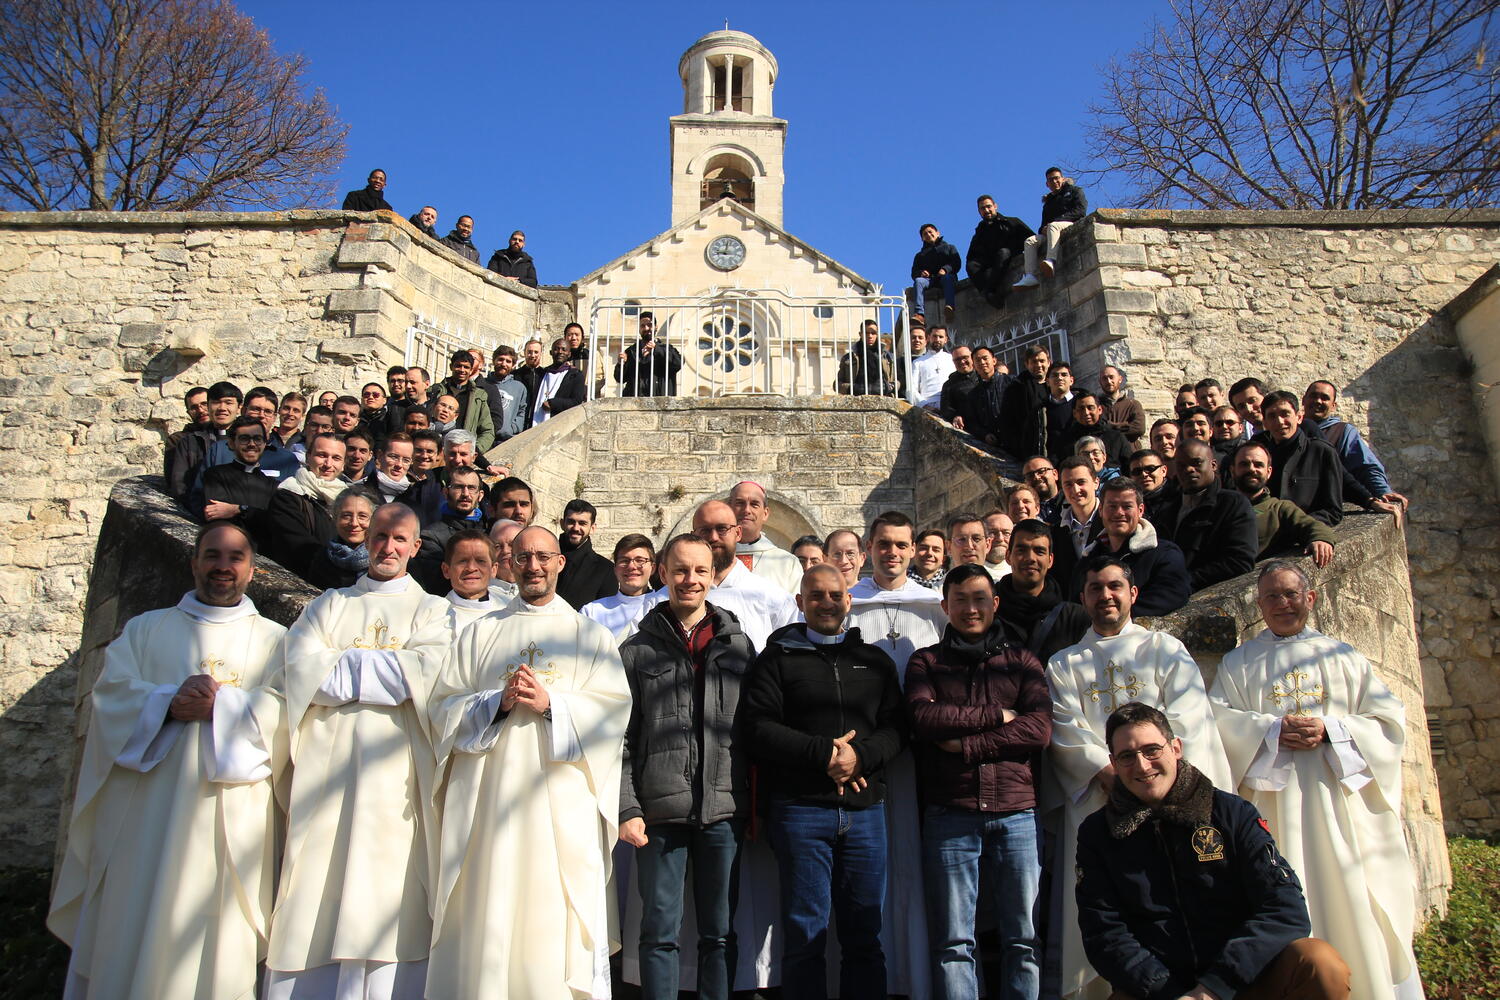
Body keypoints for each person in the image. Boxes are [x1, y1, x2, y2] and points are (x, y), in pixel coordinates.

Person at [48, 522, 285, 1000]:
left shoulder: (275, 639)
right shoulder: (146, 628)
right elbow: (111, 697)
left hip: (229, 825)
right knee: (133, 923)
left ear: (253, 570)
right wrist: (167, 702)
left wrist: (222, 705)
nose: (223, 567)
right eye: (212, 555)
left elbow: (286, 712)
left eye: (235, 557)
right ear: (193, 562)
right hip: (143, 821)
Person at [427, 525, 630, 998]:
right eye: (522, 558)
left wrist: (552, 704)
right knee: (489, 906)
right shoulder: (482, 633)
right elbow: (442, 707)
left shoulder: (589, 635)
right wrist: (494, 703)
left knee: (553, 907)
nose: (533, 566)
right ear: (508, 564)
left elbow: (614, 714)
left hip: (561, 807)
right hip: (488, 807)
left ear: (561, 562)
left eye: (543, 557)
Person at [1210, 562, 1421, 1000]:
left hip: (1337, 807)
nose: (1282, 604)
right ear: (1259, 604)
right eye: (1271, 596)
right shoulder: (1238, 662)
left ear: (1311, 598)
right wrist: (1270, 731)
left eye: (1290, 594)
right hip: (1273, 808)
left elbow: (1388, 722)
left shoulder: (1342, 656)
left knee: (1349, 897)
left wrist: (1332, 729)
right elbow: (1218, 722)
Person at [267, 504, 451, 997]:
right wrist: (388, 670)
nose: (388, 547)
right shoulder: (328, 605)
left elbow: (427, 675)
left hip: (398, 781)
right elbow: (300, 672)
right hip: (324, 778)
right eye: (380, 536)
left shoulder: (434, 611)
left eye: (400, 539)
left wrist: (342, 667)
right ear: (365, 539)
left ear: (416, 547)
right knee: (314, 889)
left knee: (389, 890)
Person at [1075, 702, 1352, 1000]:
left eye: (1152, 750)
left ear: (1176, 748)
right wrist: (1167, 991)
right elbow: (1104, 933)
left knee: (1319, 963)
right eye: (1127, 756)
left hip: (1244, 980)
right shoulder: (1097, 834)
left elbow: (1285, 908)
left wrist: (1213, 988)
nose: (1142, 765)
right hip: (1160, 991)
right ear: (1113, 763)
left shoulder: (1232, 813)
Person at [1047, 557, 1232, 1000]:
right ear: (1083, 598)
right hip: (1101, 800)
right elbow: (1065, 729)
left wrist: (1151, 775)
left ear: (1133, 594)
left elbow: (1188, 721)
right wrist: (1109, 771)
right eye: (1095, 588)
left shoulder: (1164, 649)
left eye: (1115, 586)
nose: (1105, 595)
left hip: (1167, 802)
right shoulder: (1063, 663)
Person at [743, 563, 908, 1000]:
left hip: (865, 814)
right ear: (800, 603)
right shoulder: (775, 660)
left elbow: (897, 728)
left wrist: (859, 758)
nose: (827, 603)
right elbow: (758, 727)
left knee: (864, 935)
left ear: (849, 600)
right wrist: (825, 754)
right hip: (801, 811)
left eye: (835, 595)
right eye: (816, 596)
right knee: (803, 935)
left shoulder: (874, 662)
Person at [617, 534, 755, 1000]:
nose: (689, 580)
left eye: (699, 571)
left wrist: (754, 807)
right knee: (659, 932)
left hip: (723, 809)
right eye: (679, 570)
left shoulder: (739, 647)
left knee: (719, 933)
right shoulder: (636, 651)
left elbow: (753, 734)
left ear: (715, 575)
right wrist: (627, 807)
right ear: (662, 573)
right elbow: (621, 739)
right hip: (658, 812)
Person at [905, 563, 1052, 999]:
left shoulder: (1022, 661)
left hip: (1016, 812)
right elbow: (923, 718)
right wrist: (995, 716)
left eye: (980, 599)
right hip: (953, 812)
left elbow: (1039, 730)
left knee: (1023, 938)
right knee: (954, 942)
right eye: (961, 600)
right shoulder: (926, 661)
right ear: (945, 605)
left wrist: (966, 745)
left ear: (996, 604)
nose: (971, 609)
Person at [844, 512, 947, 1000]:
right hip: (868, 752)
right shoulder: (848, 605)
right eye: (883, 544)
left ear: (913, 549)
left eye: (901, 545)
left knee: (914, 858)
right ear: (868, 548)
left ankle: (916, 976)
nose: (892, 552)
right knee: (867, 862)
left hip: (924, 754)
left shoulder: (935, 607)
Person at [1152, 439, 1259, 590]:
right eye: (1182, 465)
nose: (1189, 469)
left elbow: (1240, 561)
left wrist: (1188, 580)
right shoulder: (1167, 509)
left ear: (1213, 465)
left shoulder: (1233, 504)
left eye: (1196, 463)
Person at [1076, 478, 1191, 617]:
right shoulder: (1088, 557)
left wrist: (1112, 617)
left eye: (1127, 506)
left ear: (1140, 510)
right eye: (1112, 506)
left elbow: (1172, 595)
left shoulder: (1164, 554)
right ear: (1100, 510)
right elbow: (1076, 601)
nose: (1119, 512)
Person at [1301, 380, 1409, 512]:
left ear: (1333, 406)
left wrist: (1382, 491)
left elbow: (1365, 467)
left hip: (1324, 510)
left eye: (1325, 398)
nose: (1318, 401)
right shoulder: (1289, 430)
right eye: (1314, 396)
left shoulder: (1342, 432)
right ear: (1304, 400)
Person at [994, 519, 1091, 663]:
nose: (1030, 558)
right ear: (1008, 556)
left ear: (1050, 560)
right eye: (1021, 550)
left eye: (1039, 551)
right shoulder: (988, 612)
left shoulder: (1075, 618)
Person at [1231, 442, 1337, 567]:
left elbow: (1313, 526)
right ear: (1233, 470)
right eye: (1244, 464)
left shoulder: (1279, 508)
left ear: (1268, 472)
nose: (1251, 469)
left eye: (1258, 465)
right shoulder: (1219, 506)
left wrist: (1321, 539)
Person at [262, 433, 348, 578]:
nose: (328, 464)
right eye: (322, 455)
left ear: (343, 464)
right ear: (308, 457)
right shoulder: (288, 494)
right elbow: (297, 545)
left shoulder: (349, 498)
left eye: (336, 458)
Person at [411, 466, 486, 593]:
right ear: (445, 493)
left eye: (472, 488)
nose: (466, 494)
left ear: (480, 495)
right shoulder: (431, 536)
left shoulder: (490, 532)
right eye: (458, 487)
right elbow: (435, 585)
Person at [200, 415, 282, 526]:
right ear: (231, 443)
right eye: (244, 439)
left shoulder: (273, 486)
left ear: (264, 444)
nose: (252, 444)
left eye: (257, 439)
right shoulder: (215, 475)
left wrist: (238, 509)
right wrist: (257, 513)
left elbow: (276, 520)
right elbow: (215, 516)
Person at [1014, 167, 1088, 288]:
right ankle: (1030, 276)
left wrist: (1057, 221)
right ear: (1047, 184)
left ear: (1062, 179)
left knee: (1053, 226)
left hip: (1070, 223)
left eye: (1056, 178)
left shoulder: (1075, 191)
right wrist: (1042, 229)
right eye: (1051, 180)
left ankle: (1051, 260)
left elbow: (1080, 211)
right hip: (1051, 230)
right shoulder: (1048, 202)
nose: (1054, 182)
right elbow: (1044, 223)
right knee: (1030, 241)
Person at [729, 480, 803, 593]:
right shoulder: (712, 558)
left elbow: (796, 608)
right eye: (740, 503)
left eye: (754, 504)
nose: (747, 510)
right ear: (728, 509)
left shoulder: (787, 562)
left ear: (765, 513)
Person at [581, 534, 658, 639]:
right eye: (624, 561)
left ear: (652, 568)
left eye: (640, 560)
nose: (631, 566)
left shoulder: (668, 607)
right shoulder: (592, 612)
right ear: (615, 569)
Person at [966, 194, 1034, 309]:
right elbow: (971, 256)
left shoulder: (1011, 222)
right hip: (990, 263)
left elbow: (1031, 238)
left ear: (995, 206)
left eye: (988, 206)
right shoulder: (980, 231)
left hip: (1008, 257)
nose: (986, 210)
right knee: (971, 265)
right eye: (982, 208)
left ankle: (989, 291)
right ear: (979, 211)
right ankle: (988, 293)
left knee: (1003, 253)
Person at [305, 486, 377, 590]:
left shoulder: (384, 556)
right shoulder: (323, 558)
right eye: (346, 516)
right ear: (335, 518)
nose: (354, 523)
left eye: (362, 516)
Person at [557, 497, 619, 608]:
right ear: (562, 523)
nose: (576, 528)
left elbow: (605, 615)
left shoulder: (605, 570)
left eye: (582, 523)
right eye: (571, 522)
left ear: (592, 528)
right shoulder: (542, 558)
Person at [438, 528, 501, 634]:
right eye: (462, 561)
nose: (471, 568)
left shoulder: (510, 609)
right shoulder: (435, 615)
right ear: (446, 570)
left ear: (493, 570)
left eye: (480, 561)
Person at [616, 311, 684, 397]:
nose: (646, 328)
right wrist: (620, 364)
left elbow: (679, 363)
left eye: (650, 325)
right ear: (639, 329)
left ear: (656, 327)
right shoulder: (631, 351)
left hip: (660, 401)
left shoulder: (666, 349)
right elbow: (619, 378)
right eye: (642, 326)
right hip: (634, 403)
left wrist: (656, 350)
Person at [1001, 346, 1052, 460]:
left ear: (1049, 362)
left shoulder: (1057, 384)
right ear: (1027, 364)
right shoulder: (1016, 389)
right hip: (1028, 450)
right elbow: (1008, 421)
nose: (1038, 365)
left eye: (1042, 361)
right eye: (1034, 362)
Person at [1062, 391, 1131, 470]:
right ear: (1074, 413)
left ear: (1099, 409)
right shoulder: (1066, 439)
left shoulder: (1116, 437)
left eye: (1090, 408)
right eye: (1081, 409)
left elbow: (1128, 466)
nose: (1086, 413)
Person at [959, 346, 1010, 448]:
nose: (982, 362)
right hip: (993, 444)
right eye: (977, 360)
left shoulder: (1010, 383)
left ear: (994, 361)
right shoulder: (973, 394)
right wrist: (984, 434)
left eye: (985, 358)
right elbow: (971, 422)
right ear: (974, 365)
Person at [910, 222, 961, 321]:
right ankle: (919, 314)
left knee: (947, 278)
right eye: (925, 234)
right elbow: (914, 273)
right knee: (918, 281)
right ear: (922, 238)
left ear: (937, 233)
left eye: (930, 232)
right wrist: (921, 273)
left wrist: (945, 269)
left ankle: (949, 307)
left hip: (946, 278)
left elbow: (956, 263)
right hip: (930, 280)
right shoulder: (920, 255)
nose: (928, 235)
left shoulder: (949, 247)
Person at [531, 337, 587, 424]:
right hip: (536, 422)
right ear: (551, 352)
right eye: (556, 349)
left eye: (564, 349)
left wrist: (553, 403)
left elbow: (576, 401)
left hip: (558, 424)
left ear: (569, 354)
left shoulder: (575, 375)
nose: (560, 352)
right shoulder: (541, 373)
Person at [836, 319, 896, 396]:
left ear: (877, 334)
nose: (870, 336)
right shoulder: (848, 358)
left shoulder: (888, 357)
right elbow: (837, 384)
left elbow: (898, 381)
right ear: (860, 334)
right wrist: (852, 388)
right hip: (856, 400)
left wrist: (888, 387)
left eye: (873, 333)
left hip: (883, 399)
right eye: (866, 333)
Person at [907, 326, 956, 411]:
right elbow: (911, 389)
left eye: (941, 337)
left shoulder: (952, 359)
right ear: (929, 338)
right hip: (928, 406)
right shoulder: (918, 362)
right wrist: (925, 405)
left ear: (946, 339)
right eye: (934, 336)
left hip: (951, 405)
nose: (937, 339)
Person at [1098, 365, 1144, 445]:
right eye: (1104, 378)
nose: (1108, 381)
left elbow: (1139, 429)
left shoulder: (1133, 404)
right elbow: (1096, 429)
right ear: (1100, 382)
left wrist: (1109, 426)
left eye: (1111, 377)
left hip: (1129, 453)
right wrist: (1125, 425)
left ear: (1120, 379)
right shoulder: (1096, 406)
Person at [365, 432, 414, 505]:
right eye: (394, 457)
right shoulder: (361, 493)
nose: (399, 465)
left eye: (406, 460)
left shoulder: (417, 496)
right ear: (380, 456)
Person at [938, 344, 979, 425]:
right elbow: (946, 409)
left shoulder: (983, 375)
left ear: (972, 357)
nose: (962, 362)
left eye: (965, 357)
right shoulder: (949, 385)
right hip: (969, 427)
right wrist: (955, 416)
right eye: (957, 359)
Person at [1021, 454, 1065, 524]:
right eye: (1030, 475)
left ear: (1055, 474)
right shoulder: (1024, 509)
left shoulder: (1071, 500)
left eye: (1041, 471)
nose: (1036, 477)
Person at [982, 509, 1014, 581]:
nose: (1000, 538)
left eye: (1006, 533)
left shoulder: (1021, 569)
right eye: (992, 533)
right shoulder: (971, 571)